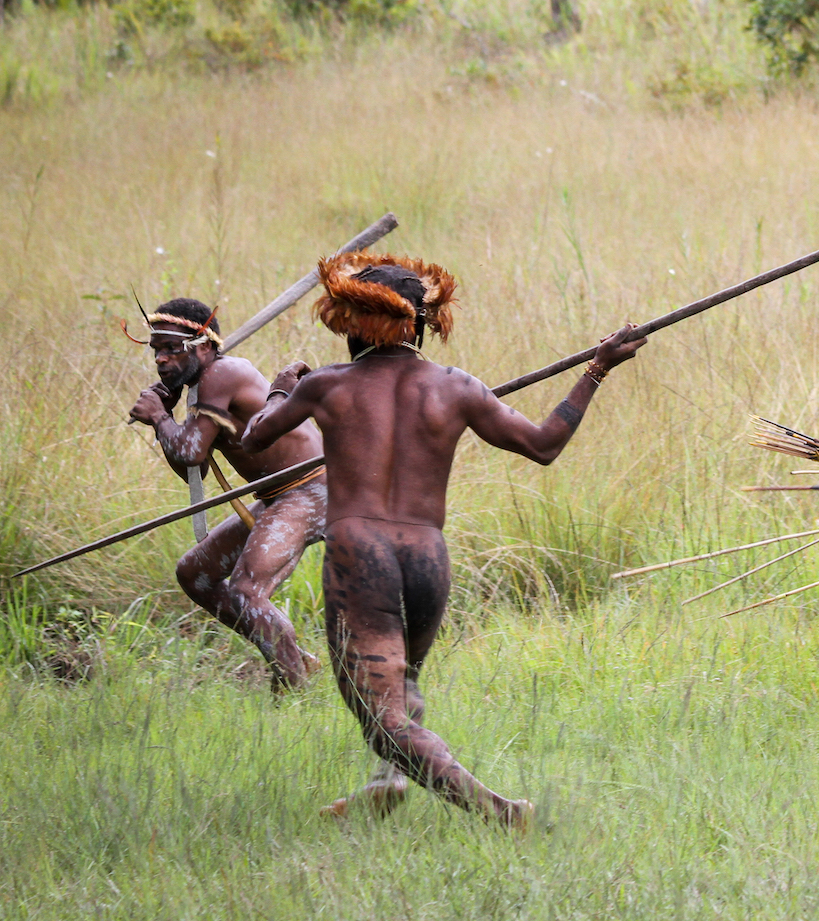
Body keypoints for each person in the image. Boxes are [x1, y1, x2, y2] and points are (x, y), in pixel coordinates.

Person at [239, 253, 642, 827]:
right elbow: (545, 443)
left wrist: (280, 391)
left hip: (361, 554)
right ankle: (389, 782)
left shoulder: (326, 385)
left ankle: (497, 812)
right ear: (422, 324)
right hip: (428, 555)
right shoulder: (458, 388)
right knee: (401, 687)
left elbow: (254, 440)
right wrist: (597, 368)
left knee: (381, 716)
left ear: (355, 323)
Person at [125, 298, 326, 691]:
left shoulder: (223, 373)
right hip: (276, 498)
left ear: (203, 346)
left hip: (313, 488)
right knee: (195, 574)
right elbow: (192, 472)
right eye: (157, 351)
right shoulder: (200, 389)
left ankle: (292, 687)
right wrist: (163, 419)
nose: (161, 360)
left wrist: (159, 417)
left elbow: (189, 451)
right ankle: (296, 658)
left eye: (171, 349)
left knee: (247, 590)